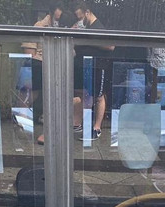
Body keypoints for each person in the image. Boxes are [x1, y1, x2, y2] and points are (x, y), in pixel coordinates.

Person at [22, 2, 63, 145]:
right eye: (56, 19)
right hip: (40, 64)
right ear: (51, 15)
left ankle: (49, 129)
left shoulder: (67, 27)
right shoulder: (39, 26)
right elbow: (29, 52)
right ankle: (23, 120)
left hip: (58, 67)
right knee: (31, 94)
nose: (58, 22)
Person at [73, 3, 114, 141]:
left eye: (80, 17)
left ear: (87, 12)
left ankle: (97, 128)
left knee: (99, 96)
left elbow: (110, 45)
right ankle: (79, 123)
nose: (79, 20)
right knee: (86, 95)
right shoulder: (86, 27)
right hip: (86, 65)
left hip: (99, 66)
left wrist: (88, 39)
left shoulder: (98, 27)